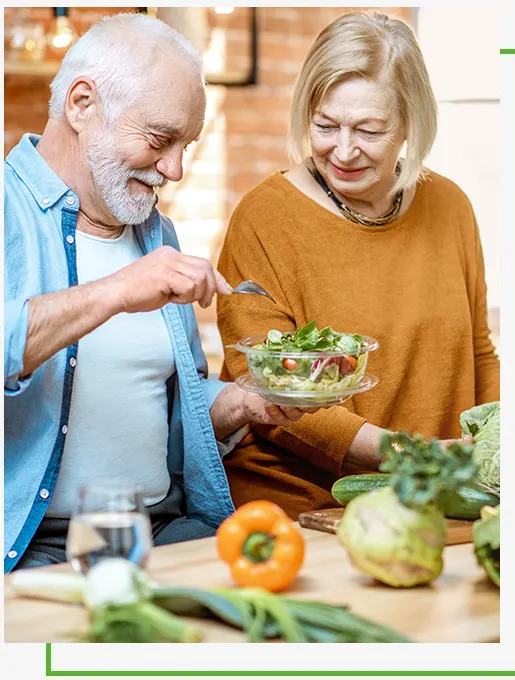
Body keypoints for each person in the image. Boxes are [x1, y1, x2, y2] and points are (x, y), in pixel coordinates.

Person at [4, 13, 313, 572]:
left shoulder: (155, 233)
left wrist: (245, 403)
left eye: (186, 146)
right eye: (159, 139)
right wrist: (119, 290)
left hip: (169, 529)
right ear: (81, 104)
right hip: (35, 548)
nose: (172, 169)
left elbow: (174, 400)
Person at [217, 11, 500, 519]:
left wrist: (501, 447)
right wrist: (410, 455)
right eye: (325, 125)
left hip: (439, 499)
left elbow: (479, 354)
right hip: (302, 509)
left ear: (412, 124)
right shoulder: (264, 217)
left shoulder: (451, 206)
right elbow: (263, 386)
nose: (342, 151)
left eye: (369, 130)